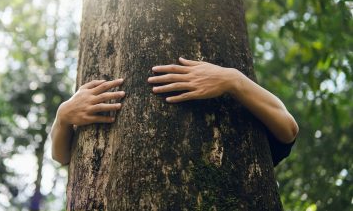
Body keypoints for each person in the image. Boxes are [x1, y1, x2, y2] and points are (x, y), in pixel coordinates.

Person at [50, 57, 299, 167]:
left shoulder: (242, 105)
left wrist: (232, 79)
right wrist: (62, 117)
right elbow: (63, 157)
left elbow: (287, 130)